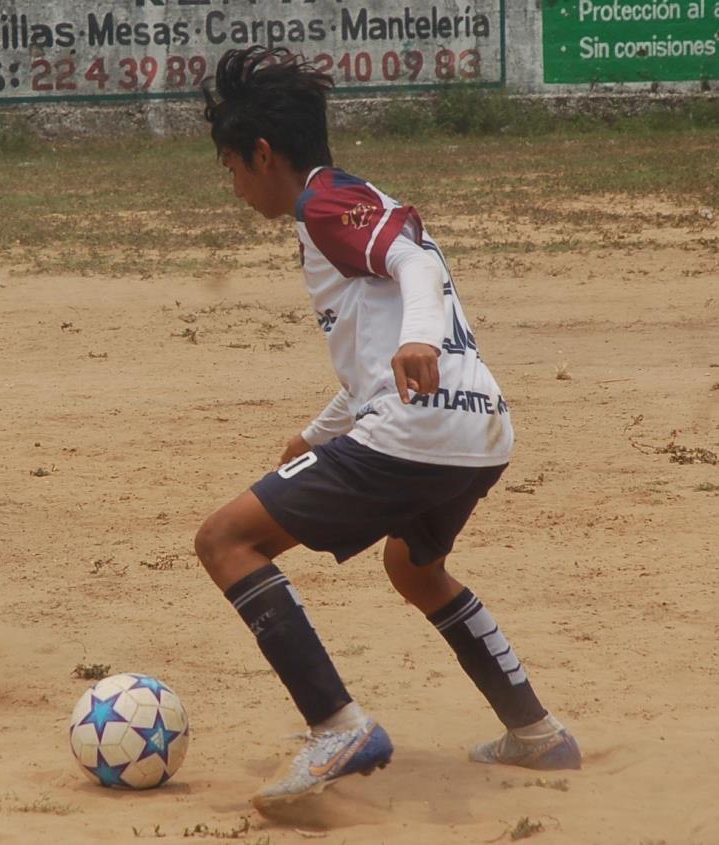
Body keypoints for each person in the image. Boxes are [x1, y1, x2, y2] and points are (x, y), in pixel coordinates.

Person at [195, 47, 581, 809]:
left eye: (231, 164)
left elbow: (414, 265)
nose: (232, 183)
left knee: (224, 540)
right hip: (478, 432)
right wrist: (315, 432)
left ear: (263, 153)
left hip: (417, 434)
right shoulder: (344, 201)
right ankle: (534, 731)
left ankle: (336, 724)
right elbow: (375, 362)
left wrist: (419, 339)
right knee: (414, 568)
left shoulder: (321, 202)